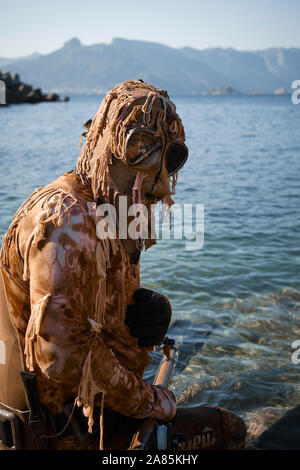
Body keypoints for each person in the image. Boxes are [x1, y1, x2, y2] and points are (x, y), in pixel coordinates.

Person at [0, 80, 246, 450]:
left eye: (171, 158)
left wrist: (146, 311)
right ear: (106, 145)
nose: (162, 186)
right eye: (140, 148)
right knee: (229, 432)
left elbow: (93, 307)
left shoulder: (112, 209)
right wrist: (152, 401)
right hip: (53, 436)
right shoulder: (67, 218)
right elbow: (61, 358)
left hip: (88, 417)